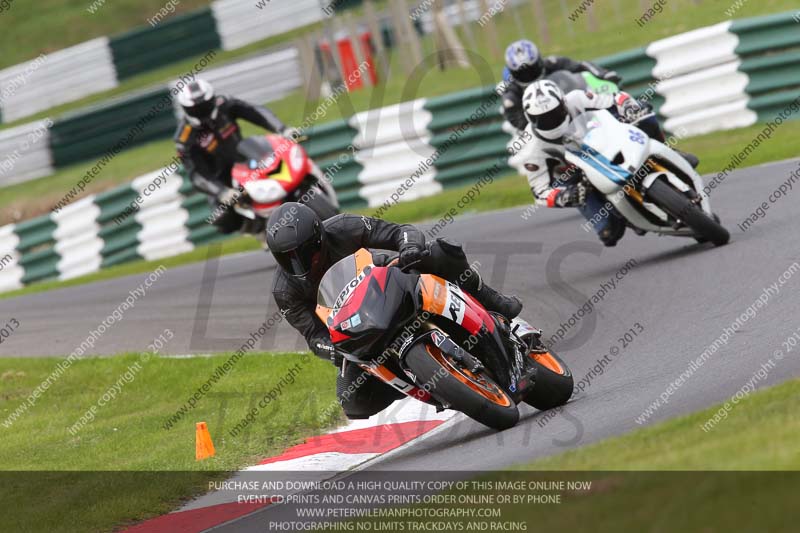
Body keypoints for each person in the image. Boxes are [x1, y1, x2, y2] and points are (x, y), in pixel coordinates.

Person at [267, 202, 525, 419]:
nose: (298, 262)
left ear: (319, 236)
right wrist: (332, 349)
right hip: (354, 328)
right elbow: (314, 336)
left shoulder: (343, 227)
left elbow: (401, 232)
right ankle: (424, 380)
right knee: (353, 401)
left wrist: (409, 249)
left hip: (384, 280)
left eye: (303, 252)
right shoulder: (284, 291)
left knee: (439, 252)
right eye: (286, 257)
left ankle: (489, 299)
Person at [518, 79, 691, 246]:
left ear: (563, 103)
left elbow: (617, 98)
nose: (549, 121)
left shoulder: (577, 98)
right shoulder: (530, 147)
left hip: (604, 140)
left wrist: (629, 109)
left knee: (644, 116)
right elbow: (539, 192)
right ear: (529, 118)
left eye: (554, 114)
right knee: (609, 233)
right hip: (574, 174)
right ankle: (623, 215)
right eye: (541, 119)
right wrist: (565, 196)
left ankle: (669, 153)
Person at [174, 79, 299, 234]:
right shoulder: (185, 139)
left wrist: (282, 129)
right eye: (196, 109)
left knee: (283, 167)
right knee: (222, 217)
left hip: (248, 160)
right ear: (186, 109)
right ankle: (259, 231)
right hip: (222, 180)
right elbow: (196, 175)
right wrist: (221, 191)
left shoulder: (224, 104)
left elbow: (255, 111)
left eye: (204, 105)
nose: (202, 110)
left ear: (212, 99)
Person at [499, 39, 621, 131]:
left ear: (539, 61)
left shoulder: (552, 63)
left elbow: (581, 65)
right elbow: (515, 118)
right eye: (522, 73)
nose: (528, 75)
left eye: (531, 69)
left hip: (569, 109)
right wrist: (537, 126)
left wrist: (604, 74)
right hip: (546, 128)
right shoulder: (511, 92)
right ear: (512, 72)